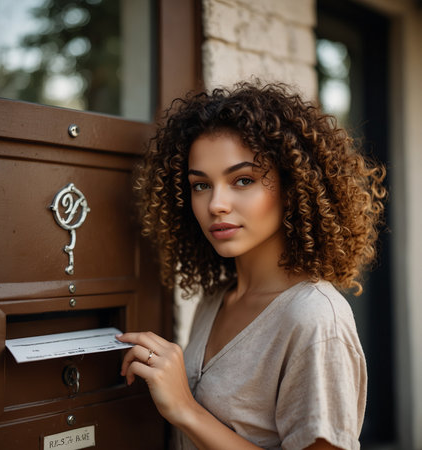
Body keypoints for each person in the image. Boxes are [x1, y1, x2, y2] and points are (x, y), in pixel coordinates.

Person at [116, 82, 387, 450]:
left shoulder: (314, 319)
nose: (216, 204)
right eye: (200, 186)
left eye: (242, 180)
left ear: (293, 187)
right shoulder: (216, 298)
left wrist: (185, 409)